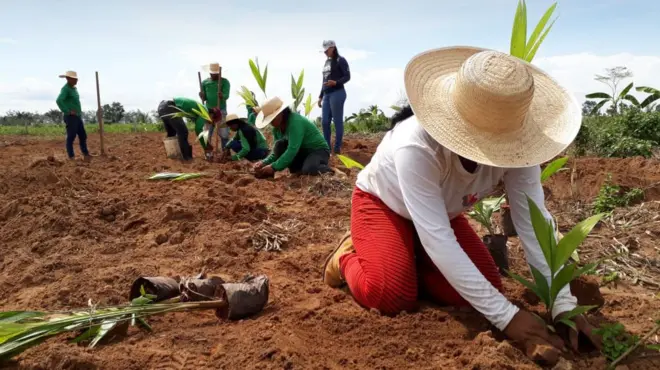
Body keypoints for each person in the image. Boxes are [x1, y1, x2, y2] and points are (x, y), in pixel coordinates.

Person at [322, 47, 602, 361]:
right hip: (383, 204)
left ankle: (404, 256)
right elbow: (439, 239)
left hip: (440, 214)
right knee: (393, 295)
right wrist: (507, 318)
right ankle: (347, 259)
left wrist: (561, 303)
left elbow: (534, 227)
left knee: (484, 288)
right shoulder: (416, 145)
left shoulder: (519, 148)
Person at [253, 96, 333, 178]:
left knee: (309, 169)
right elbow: (276, 153)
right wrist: (264, 162)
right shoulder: (276, 129)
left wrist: (273, 167)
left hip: (318, 150)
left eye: (273, 119)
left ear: (281, 113)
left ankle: (330, 170)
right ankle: (299, 170)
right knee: (279, 145)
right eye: (269, 120)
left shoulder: (295, 122)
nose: (271, 123)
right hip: (302, 151)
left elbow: (292, 150)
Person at [157, 97, 222, 161]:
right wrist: (206, 146)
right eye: (213, 120)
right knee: (183, 132)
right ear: (212, 115)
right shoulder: (205, 111)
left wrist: (206, 144)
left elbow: (199, 128)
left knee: (172, 133)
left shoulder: (200, 109)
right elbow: (198, 129)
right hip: (170, 107)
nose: (210, 122)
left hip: (162, 107)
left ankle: (173, 156)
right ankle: (187, 158)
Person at [318, 40, 350, 154]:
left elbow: (347, 76)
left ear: (333, 48)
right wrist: (320, 96)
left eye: (327, 50)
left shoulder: (341, 60)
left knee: (337, 121)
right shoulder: (326, 62)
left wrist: (336, 82)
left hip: (337, 92)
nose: (325, 52)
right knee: (325, 122)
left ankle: (337, 148)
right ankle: (327, 148)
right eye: (324, 50)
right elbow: (324, 80)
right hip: (326, 94)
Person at [56, 71, 90, 161]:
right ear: (68, 79)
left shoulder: (74, 88)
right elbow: (59, 100)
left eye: (76, 78)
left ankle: (86, 154)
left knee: (83, 135)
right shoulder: (65, 89)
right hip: (71, 117)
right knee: (71, 137)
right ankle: (71, 157)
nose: (76, 80)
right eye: (74, 79)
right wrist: (67, 111)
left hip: (78, 116)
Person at [199, 62, 231, 148]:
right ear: (209, 73)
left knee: (224, 133)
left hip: (221, 110)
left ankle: (225, 152)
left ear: (219, 73)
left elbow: (226, 95)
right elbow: (204, 98)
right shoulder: (204, 82)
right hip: (208, 111)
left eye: (216, 74)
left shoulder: (224, 82)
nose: (214, 75)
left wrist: (222, 96)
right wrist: (202, 96)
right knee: (207, 133)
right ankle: (208, 153)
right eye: (212, 74)